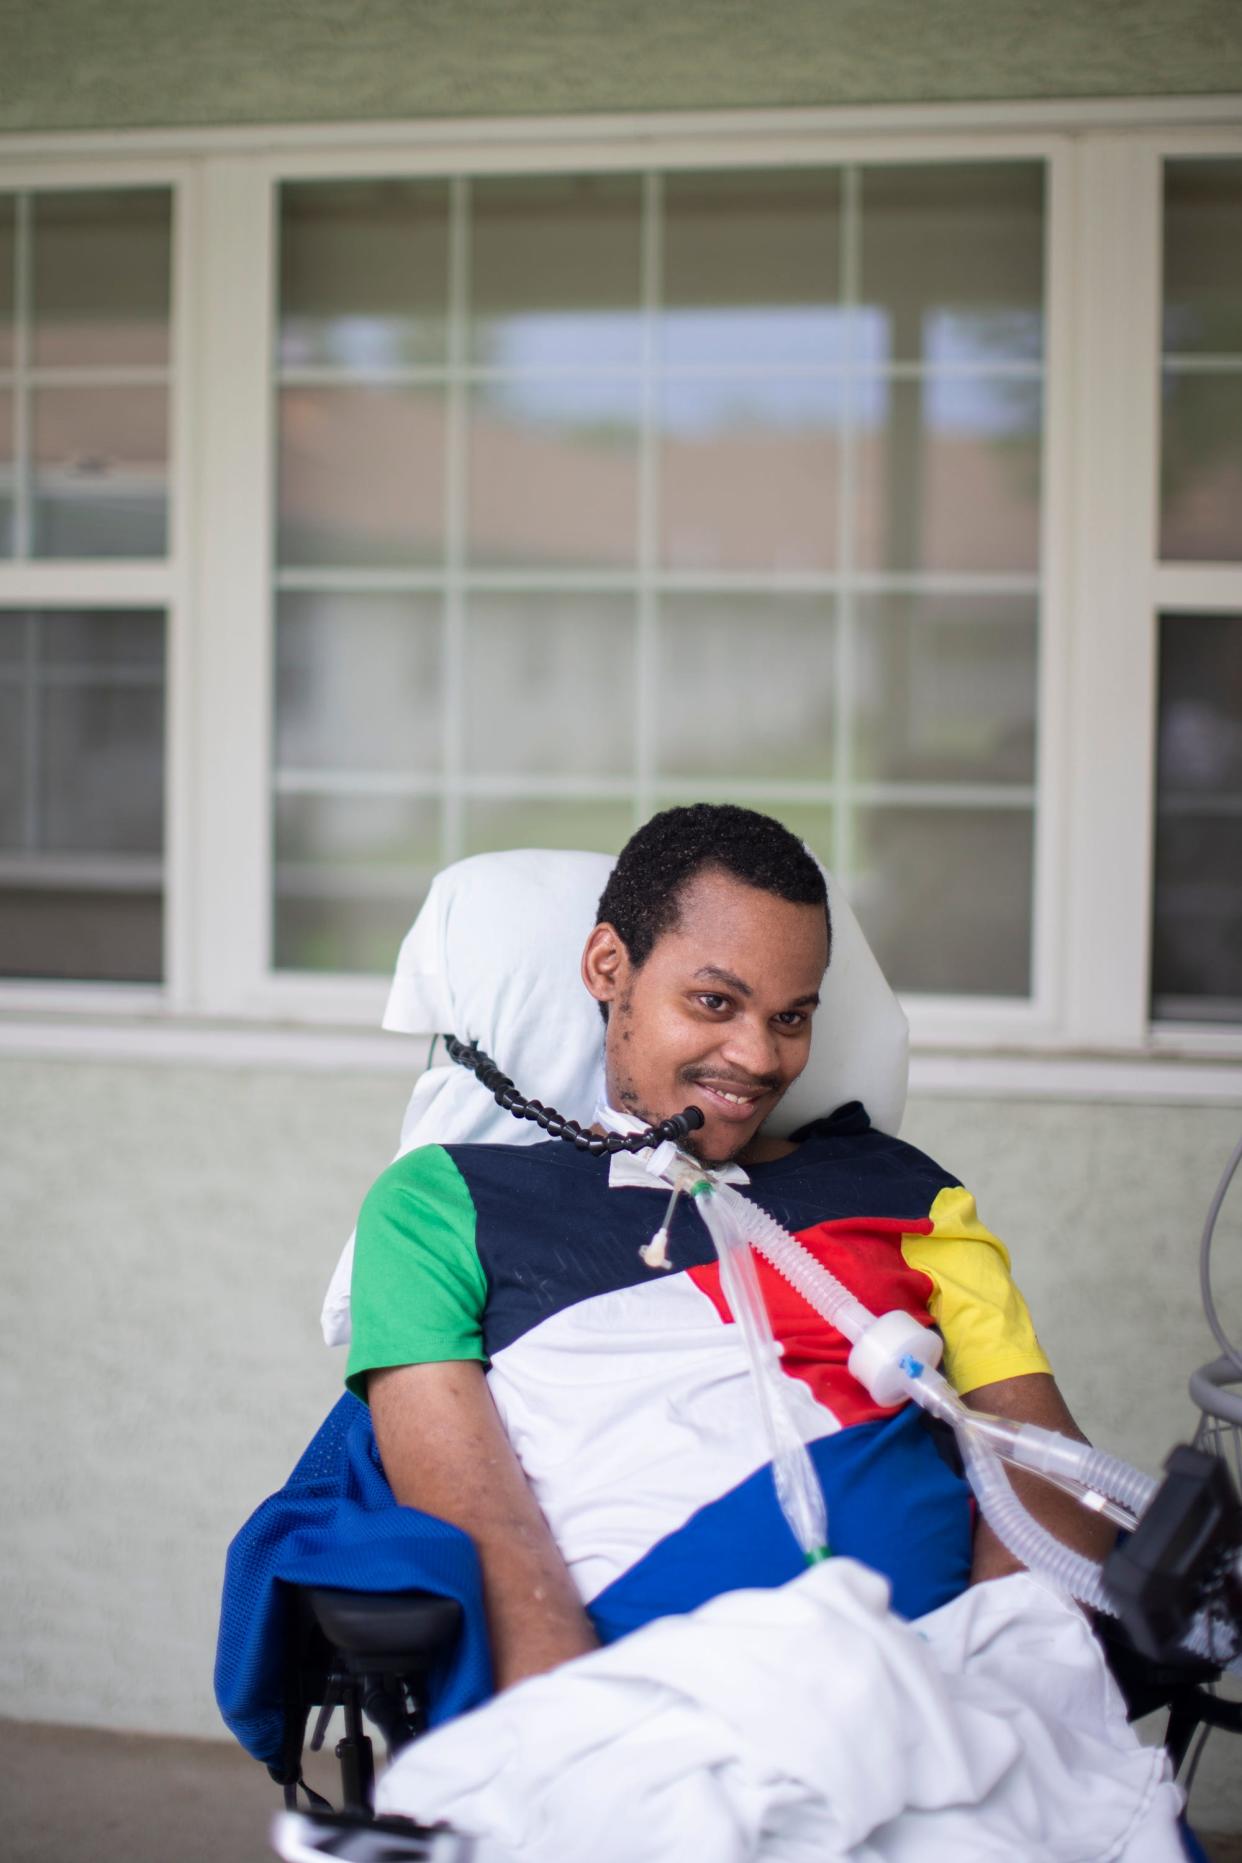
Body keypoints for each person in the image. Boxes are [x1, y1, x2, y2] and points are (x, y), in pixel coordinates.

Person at [346, 804, 1113, 1693]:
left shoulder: (908, 1195)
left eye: (791, 1018)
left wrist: (1004, 1702)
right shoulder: (440, 1205)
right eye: (715, 1001)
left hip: (950, 1710)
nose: (756, 1057)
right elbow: (479, 1526)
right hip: (642, 1728)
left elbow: (1049, 1462)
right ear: (608, 966)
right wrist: (577, 1743)